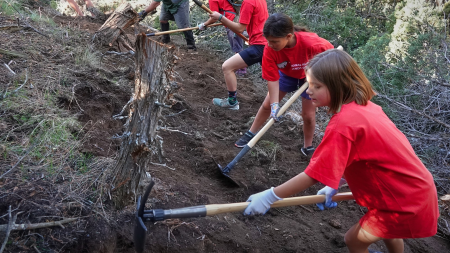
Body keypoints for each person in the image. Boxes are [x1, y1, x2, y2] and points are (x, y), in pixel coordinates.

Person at [242, 49, 439, 253]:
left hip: (400, 202)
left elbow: (312, 174)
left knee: (354, 241)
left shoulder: (344, 125)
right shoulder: (367, 107)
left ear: (339, 86)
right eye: (309, 84)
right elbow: (366, 154)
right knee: (390, 234)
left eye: (316, 86)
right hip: (412, 189)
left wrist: (271, 196)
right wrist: (338, 182)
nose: (308, 91)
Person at [234, 13, 333, 157]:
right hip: (287, 74)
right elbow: (272, 78)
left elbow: (334, 58)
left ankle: (308, 146)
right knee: (267, 105)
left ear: (288, 36)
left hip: (310, 78)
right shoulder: (270, 49)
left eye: (274, 41)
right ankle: (251, 133)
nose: (270, 44)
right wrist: (275, 104)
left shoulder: (313, 44)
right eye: (268, 40)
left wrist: (319, 79)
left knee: (308, 115)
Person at [208, 0, 268, 110]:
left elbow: (240, 28)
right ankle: (275, 105)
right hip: (266, 42)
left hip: (260, 45)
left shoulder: (248, 2)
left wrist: (221, 17)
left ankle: (232, 102)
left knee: (227, 67)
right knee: (272, 77)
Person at [197, 0, 246, 75]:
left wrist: (204, 24)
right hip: (237, 19)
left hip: (231, 22)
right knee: (238, 45)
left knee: (237, 47)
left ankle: (241, 71)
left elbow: (214, 17)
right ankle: (241, 69)